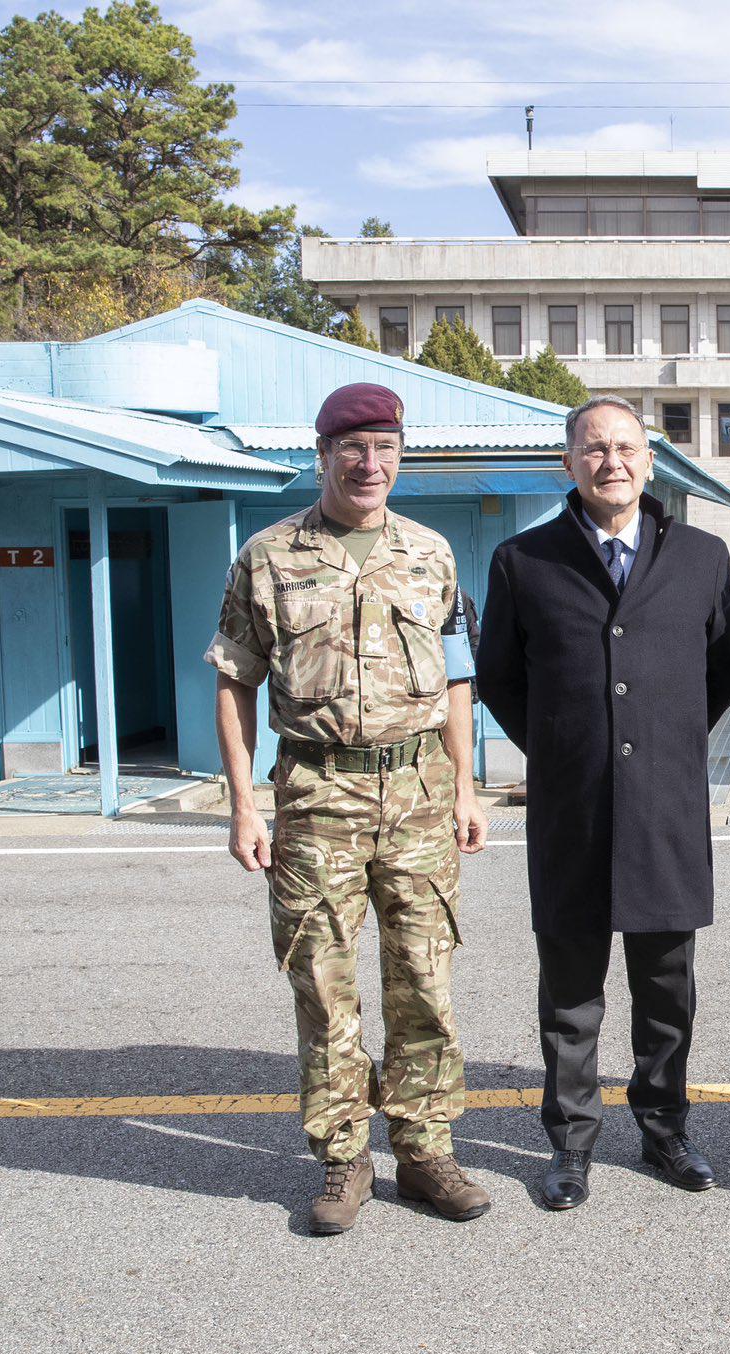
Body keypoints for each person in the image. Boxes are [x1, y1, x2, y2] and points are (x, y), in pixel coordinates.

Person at [207, 381, 491, 1235]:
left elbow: (457, 681)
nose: (371, 465)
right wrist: (243, 805)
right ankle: (341, 1159)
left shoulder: (432, 554)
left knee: (425, 982)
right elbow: (233, 679)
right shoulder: (269, 556)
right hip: (315, 796)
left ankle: (425, 1150)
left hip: (418, 796)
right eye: (354, 449)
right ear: (323, 453)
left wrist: (467, 788)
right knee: (324, 989)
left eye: (386, 448)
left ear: (402, 455)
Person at [476, 394, 730, 1211]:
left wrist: (662, 747)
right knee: (571, 990)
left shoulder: (702, 555)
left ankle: (665, 1131)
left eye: (626, 447)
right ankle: (571, 1144)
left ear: (649, 460)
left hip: (666, 810)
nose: (611, 462)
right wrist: (565, 750)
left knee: (667, 988)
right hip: (573, 810)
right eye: (593, 449)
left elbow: (721, 670)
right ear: (568, 462)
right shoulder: (524, 561)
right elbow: (500, 680)